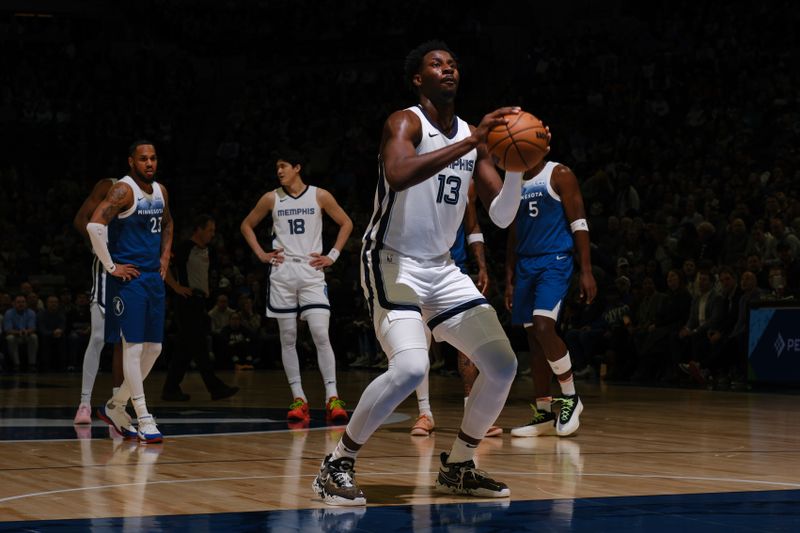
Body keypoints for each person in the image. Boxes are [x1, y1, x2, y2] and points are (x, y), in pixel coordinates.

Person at [312, 40, 542, 506]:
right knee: (412, 366)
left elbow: (501, 215)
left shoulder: (471, 135)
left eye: (453, 63)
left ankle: (459, 465)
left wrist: (516, 168)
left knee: (501, 365)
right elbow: (397, 174)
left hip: (441, 268)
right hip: (391, 259)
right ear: (418, 79)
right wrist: (472, 143)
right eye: (437, 64)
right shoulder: (405, 122)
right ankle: (337, 462)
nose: (448, 69)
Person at [241, 150, 353, 422]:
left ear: (297, 168)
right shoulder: (271, 198)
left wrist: (332, 256)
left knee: (319, 333)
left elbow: (346, 222)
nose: (279, 171)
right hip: (282, 271)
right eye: (277, 167)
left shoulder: (319, 195)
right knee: (288, 337)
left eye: (284, 166)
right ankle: (298, 399)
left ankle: (332, 397)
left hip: (311, 269)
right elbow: (246, 225)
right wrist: (261, 254)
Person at [504, 159, 597, 438]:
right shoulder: (513, 181)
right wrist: (509, 277)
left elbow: (579, 222)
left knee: (543, 325)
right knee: (534, 338)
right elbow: (513, 232)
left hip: (554, 261)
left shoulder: (559, 174)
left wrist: (587, 270)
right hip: (525, 264)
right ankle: (543, 412)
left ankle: (570, 397)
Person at [89, 140, 172, 444]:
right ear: (131, 162)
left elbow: (168, 223)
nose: (149, 163)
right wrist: (111, 267)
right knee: (133, 348)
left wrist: (164, 258)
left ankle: (115, 406)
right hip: (128, 281)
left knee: (155, 349)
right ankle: (143, 415)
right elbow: (94, 226)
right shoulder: (123, 191)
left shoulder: (161, 191)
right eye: (143, 159)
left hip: (151, 278)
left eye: (152, 158)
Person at [410, 181, 502, 438]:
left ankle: (472, 411)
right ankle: (424, 413)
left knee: (469, 345)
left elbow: (472, 226)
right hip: (417, 270)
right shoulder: (419, 179)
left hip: (454, 271)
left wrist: (481, 266)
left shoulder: (466, 182)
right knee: (420, 345)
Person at [162, 214, 239, 401]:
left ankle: (170, 389)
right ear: (199, 229)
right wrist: (175, 286)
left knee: (185, 349)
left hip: (199, 302)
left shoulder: (209, 251)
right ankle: (215, 388)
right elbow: (163, 264)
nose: (213, 234)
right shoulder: (183, 248)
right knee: (199, 347)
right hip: (186, 302)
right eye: (210, 230)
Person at [72, 177, 127, 425]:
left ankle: (116, 406)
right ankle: (84, 403)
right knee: (98, 337)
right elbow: (80, 220)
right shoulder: (109, 186)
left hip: (131, 265)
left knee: (125, 342)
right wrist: (98, 247)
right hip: (106, 267)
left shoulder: (149, 196)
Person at [3, 294, 38, 372]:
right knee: (10, 338)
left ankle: (32, 364)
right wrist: (18, 332)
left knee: (34, 337)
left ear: (26, 303)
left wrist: (26, 331)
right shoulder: (9, 313)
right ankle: (16, 364)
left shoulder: (31, 312)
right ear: (13, 303)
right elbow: (7, 330)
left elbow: (33, 328)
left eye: (23, 302)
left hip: (26, 335)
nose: (21, 304)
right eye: (18, 302)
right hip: (15, 336)